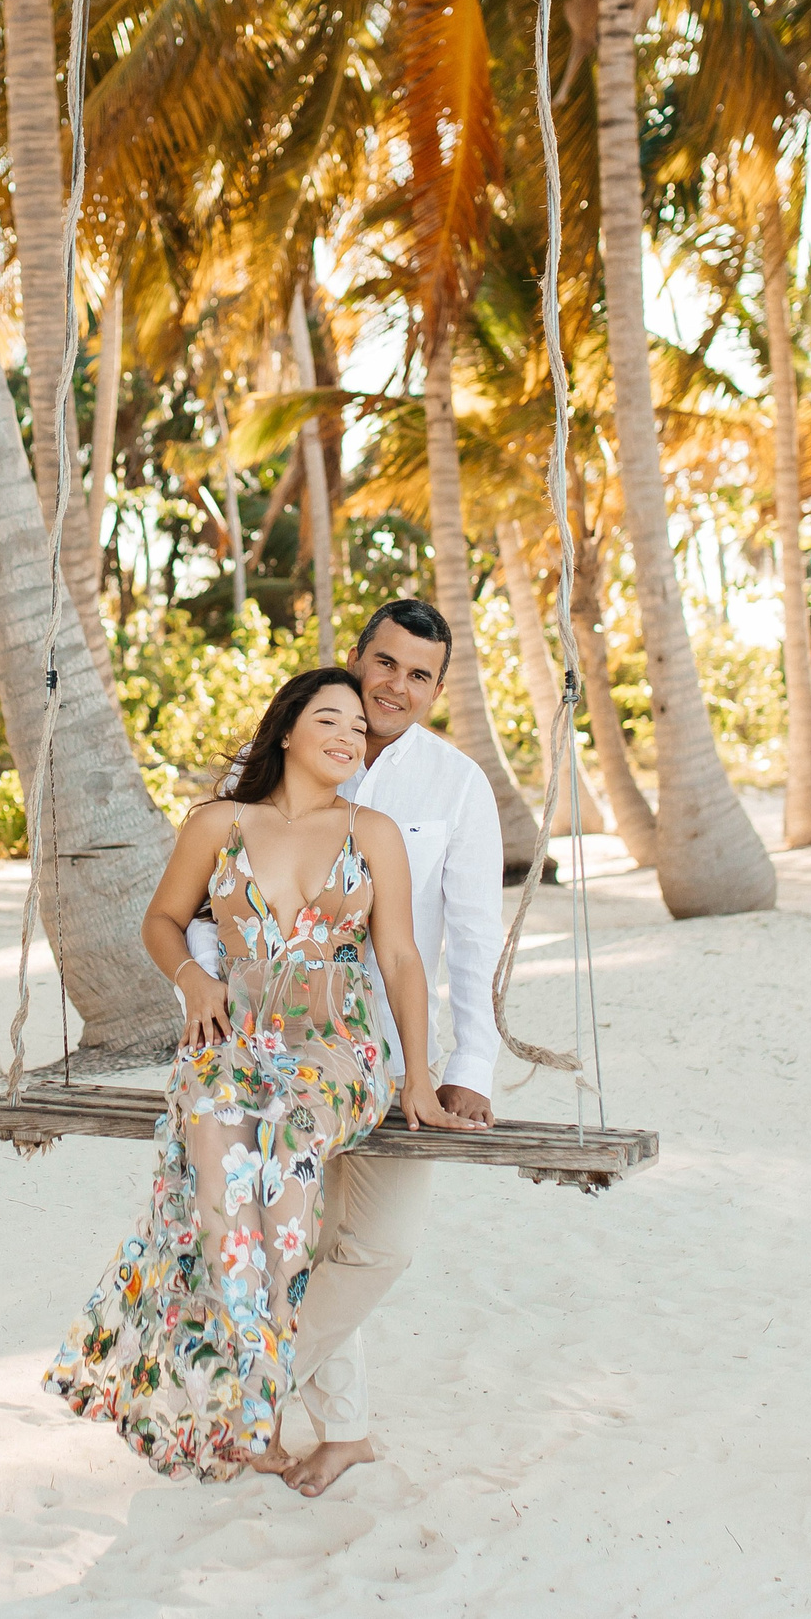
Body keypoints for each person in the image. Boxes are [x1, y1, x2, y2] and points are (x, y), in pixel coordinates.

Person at [43, 667, 484, 1481]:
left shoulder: (373, 830)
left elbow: (399, 957)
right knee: (211, 1162)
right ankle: (249, 1398)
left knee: (282, 1152)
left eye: (360, 727)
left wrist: (418, 1075)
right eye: (332, 718)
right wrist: (193, 980)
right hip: (236, 1037)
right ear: (286, 730)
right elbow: (163, 921)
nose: (352, 736)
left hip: (336, 1049)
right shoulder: (219, 823)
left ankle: (251, 1398)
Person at [209, 598, 513, 1496]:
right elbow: (205, 903)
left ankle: (252, 1397)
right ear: (358, 657)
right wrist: (208, 997)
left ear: (437, 689)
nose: (398, 687)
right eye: (386, 664)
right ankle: (343, 1432)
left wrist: (468, 1069)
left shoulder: (455, 786)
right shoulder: (289, 759)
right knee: (295, 1246)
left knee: (381, 1243)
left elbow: (469, 938)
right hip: (270, 1048)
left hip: (388, 1058)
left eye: (421, 675)